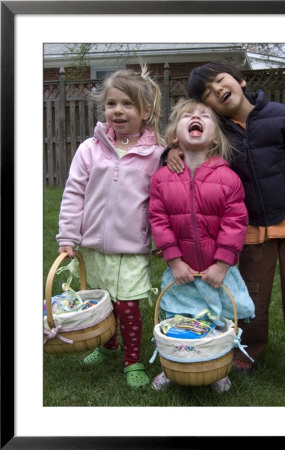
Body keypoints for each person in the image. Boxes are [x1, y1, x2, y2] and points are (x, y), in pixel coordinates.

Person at [166, 62, 285, 386]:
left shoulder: (282, 117)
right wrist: (170, 152)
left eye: (220, 80)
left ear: (240, 80)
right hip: (251, 229)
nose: (216, 90)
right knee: (251, 296)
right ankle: (245, 351)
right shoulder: (218, 131)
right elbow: (191, 143)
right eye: (206, 93)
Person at [56, 67, 164, 388]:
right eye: (112, 103)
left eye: (128, 104)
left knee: (128, 306)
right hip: (93, 246)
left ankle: (132, 360)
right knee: (101, 304)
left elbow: (160, 202)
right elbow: (74, 192)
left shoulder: (155, 154)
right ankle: (108, 345)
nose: (118, 110)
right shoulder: (90, 149)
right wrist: (68, 235)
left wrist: (161, 238)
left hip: (131, 249)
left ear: (145, 111)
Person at [149, 98, 255, 393]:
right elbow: (158, 220)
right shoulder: (161, 179)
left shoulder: (228, 179)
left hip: (216, 272)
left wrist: (222, 264)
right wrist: (173, 261)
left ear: (215, 138)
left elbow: (235, 223)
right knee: (177, 319)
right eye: (188, 116)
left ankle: (217, 366)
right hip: (181, 270)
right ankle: (173, 365)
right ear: (174, 137)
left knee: (219, 321)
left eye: (204, 116)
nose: (196, 117)